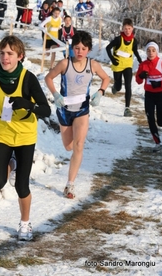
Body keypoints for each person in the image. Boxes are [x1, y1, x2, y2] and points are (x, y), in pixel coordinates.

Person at [0, 35, 51, 241]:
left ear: (20, 56)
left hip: (25, 135)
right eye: (2, 53)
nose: (5, 57)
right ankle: (12, 162)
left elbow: (46, 110)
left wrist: (28, 104)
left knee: (21, 186)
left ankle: (25, 224)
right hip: (2, 132)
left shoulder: (28, 79)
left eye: (10, 53)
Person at [45, 31, 110, 199]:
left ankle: (70, 184)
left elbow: (106, 78)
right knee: (69, 146)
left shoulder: (92, 64)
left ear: (88, 49)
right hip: (64, 109)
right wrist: (55, 95)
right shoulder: (65, 64)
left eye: (83, 48)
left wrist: (100, 92)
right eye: (77, 48)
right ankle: (74, 155)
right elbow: (48, 78)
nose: (80, 51)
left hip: (82, 109)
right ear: (72, 48)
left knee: (79, 145)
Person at [106, 18, 142, 117]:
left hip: (127, 65)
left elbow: (135, 51)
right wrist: (112, 59)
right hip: (117, 64)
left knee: (128, 86)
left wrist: (140, 60)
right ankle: (115, 87)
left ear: (132, 28)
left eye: (129, 28)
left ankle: (127, 108)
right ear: (122, 28)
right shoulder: (118, 39)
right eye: (125, 28)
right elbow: (107, 48)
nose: (127, 30)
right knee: (119, 87)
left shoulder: (134, 40)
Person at [135, 40, 162, 152]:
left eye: (153, 50)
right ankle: (158, 143)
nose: (151, 53)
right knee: (150, 118)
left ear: (157, 51)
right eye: (148, 50)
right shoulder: (143, 65)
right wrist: (141, 76)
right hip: (149, 96)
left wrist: (160, 84)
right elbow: (138, 81)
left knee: (161, 122)